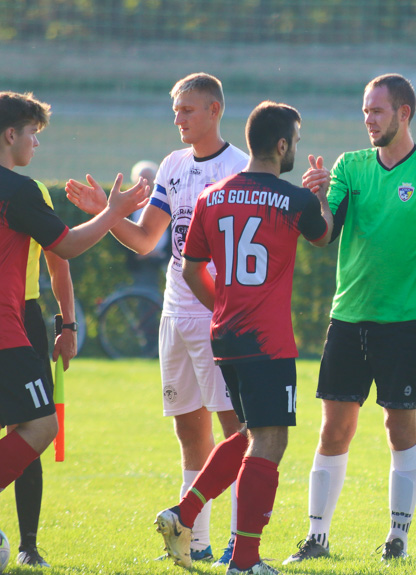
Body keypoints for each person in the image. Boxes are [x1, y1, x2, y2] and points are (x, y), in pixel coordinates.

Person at [66, 73, 247, 565]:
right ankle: (196, 539)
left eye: (187, 110)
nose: (178, 119)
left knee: (237, 433)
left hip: (217, 318)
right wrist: (106, 213)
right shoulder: (172, 164)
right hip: (174, 314)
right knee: (191, 433)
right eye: (175, 110)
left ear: (214, 110)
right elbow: (147, 240)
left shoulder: (240, 167)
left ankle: (240, 539)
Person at [284, 73, 416, 564]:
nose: (368, 119)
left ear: (404, 114)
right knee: (333, 429)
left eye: (377, 111)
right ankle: (317, 537)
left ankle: (397, 539)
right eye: (365, 110)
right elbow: (322, 235)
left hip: (406, 322)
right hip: (349, 316)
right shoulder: (350, 167)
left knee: (400, 428)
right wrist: (316, 197)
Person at [154, 101, 332, 575]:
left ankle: (183, 514)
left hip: (225, 336)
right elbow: (323, 235)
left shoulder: (212, 196)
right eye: (295, 139)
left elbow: (190, 269)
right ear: (281, 144)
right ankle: (245, 562)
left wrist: (223, 307)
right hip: (268, 341)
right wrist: (322, 196)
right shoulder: (294, 199)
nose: (297, 147)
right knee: (271, 441)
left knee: (250, 433)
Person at [0, 91, 148, 496]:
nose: (37, 142)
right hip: (5, 333)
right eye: (33, 133)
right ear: (11, 134)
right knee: (42, 425)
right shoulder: (18, 190)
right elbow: (66, 246)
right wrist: (113, 212)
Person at [9, 178, 79, 568]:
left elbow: (58, 260)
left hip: (24, 316)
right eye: (31, 132)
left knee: (29, 432)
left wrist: (67, 326)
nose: (36, 141)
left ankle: (28, 546)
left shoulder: (31, 190)